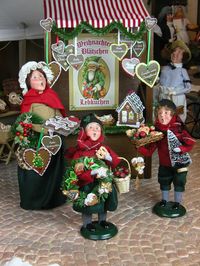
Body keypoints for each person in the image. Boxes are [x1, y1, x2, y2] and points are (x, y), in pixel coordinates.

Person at [17, 61, 67, 210]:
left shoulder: (52, 95)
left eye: (41, 76)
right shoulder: (28, 101)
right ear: (28, 82)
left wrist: (62, 123)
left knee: (54, 172)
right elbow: (26, 122)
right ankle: (36, 201)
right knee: (38, 171)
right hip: (37, 142)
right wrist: (44, 129)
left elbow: (58, 113)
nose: (40, 79)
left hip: (54, 141)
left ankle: (54, 199)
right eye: (35, 77)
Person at [65, 113, 120, 238]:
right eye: (91, 127)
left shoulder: (103, 148)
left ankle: (102, 220)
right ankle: (87, 223)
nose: (95, 130)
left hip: (103, 183)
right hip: (88, 183)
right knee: (88, 204)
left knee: (103, 202)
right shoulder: (80, 153)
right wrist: (93, 172)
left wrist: (108, 157)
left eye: (98, 128)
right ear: (84, 132)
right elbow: (78, 172)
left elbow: (116, 161)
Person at [138, 99, 195, 217]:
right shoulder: (157, 132)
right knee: (164, 181)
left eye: (166, 113)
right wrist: (139, 147)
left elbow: (190, 142)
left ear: (172, 114)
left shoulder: (179, 128)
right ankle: (164, 200)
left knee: (179, 182)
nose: (163, 116)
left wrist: (182, 149)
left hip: (180, 163)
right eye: (160, 113)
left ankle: (177, 203)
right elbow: (150, 151)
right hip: (164, 164)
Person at [159, 40, 191, 122]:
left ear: (183, 56)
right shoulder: (165, 68)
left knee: (175, 119)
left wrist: (175, 92)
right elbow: (160, 82)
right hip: (163, 97)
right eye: (174, 51)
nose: (174, 54)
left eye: (179, 52)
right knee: (162, 118)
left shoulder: (182, 71)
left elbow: (188, 88)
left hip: (176, 98)